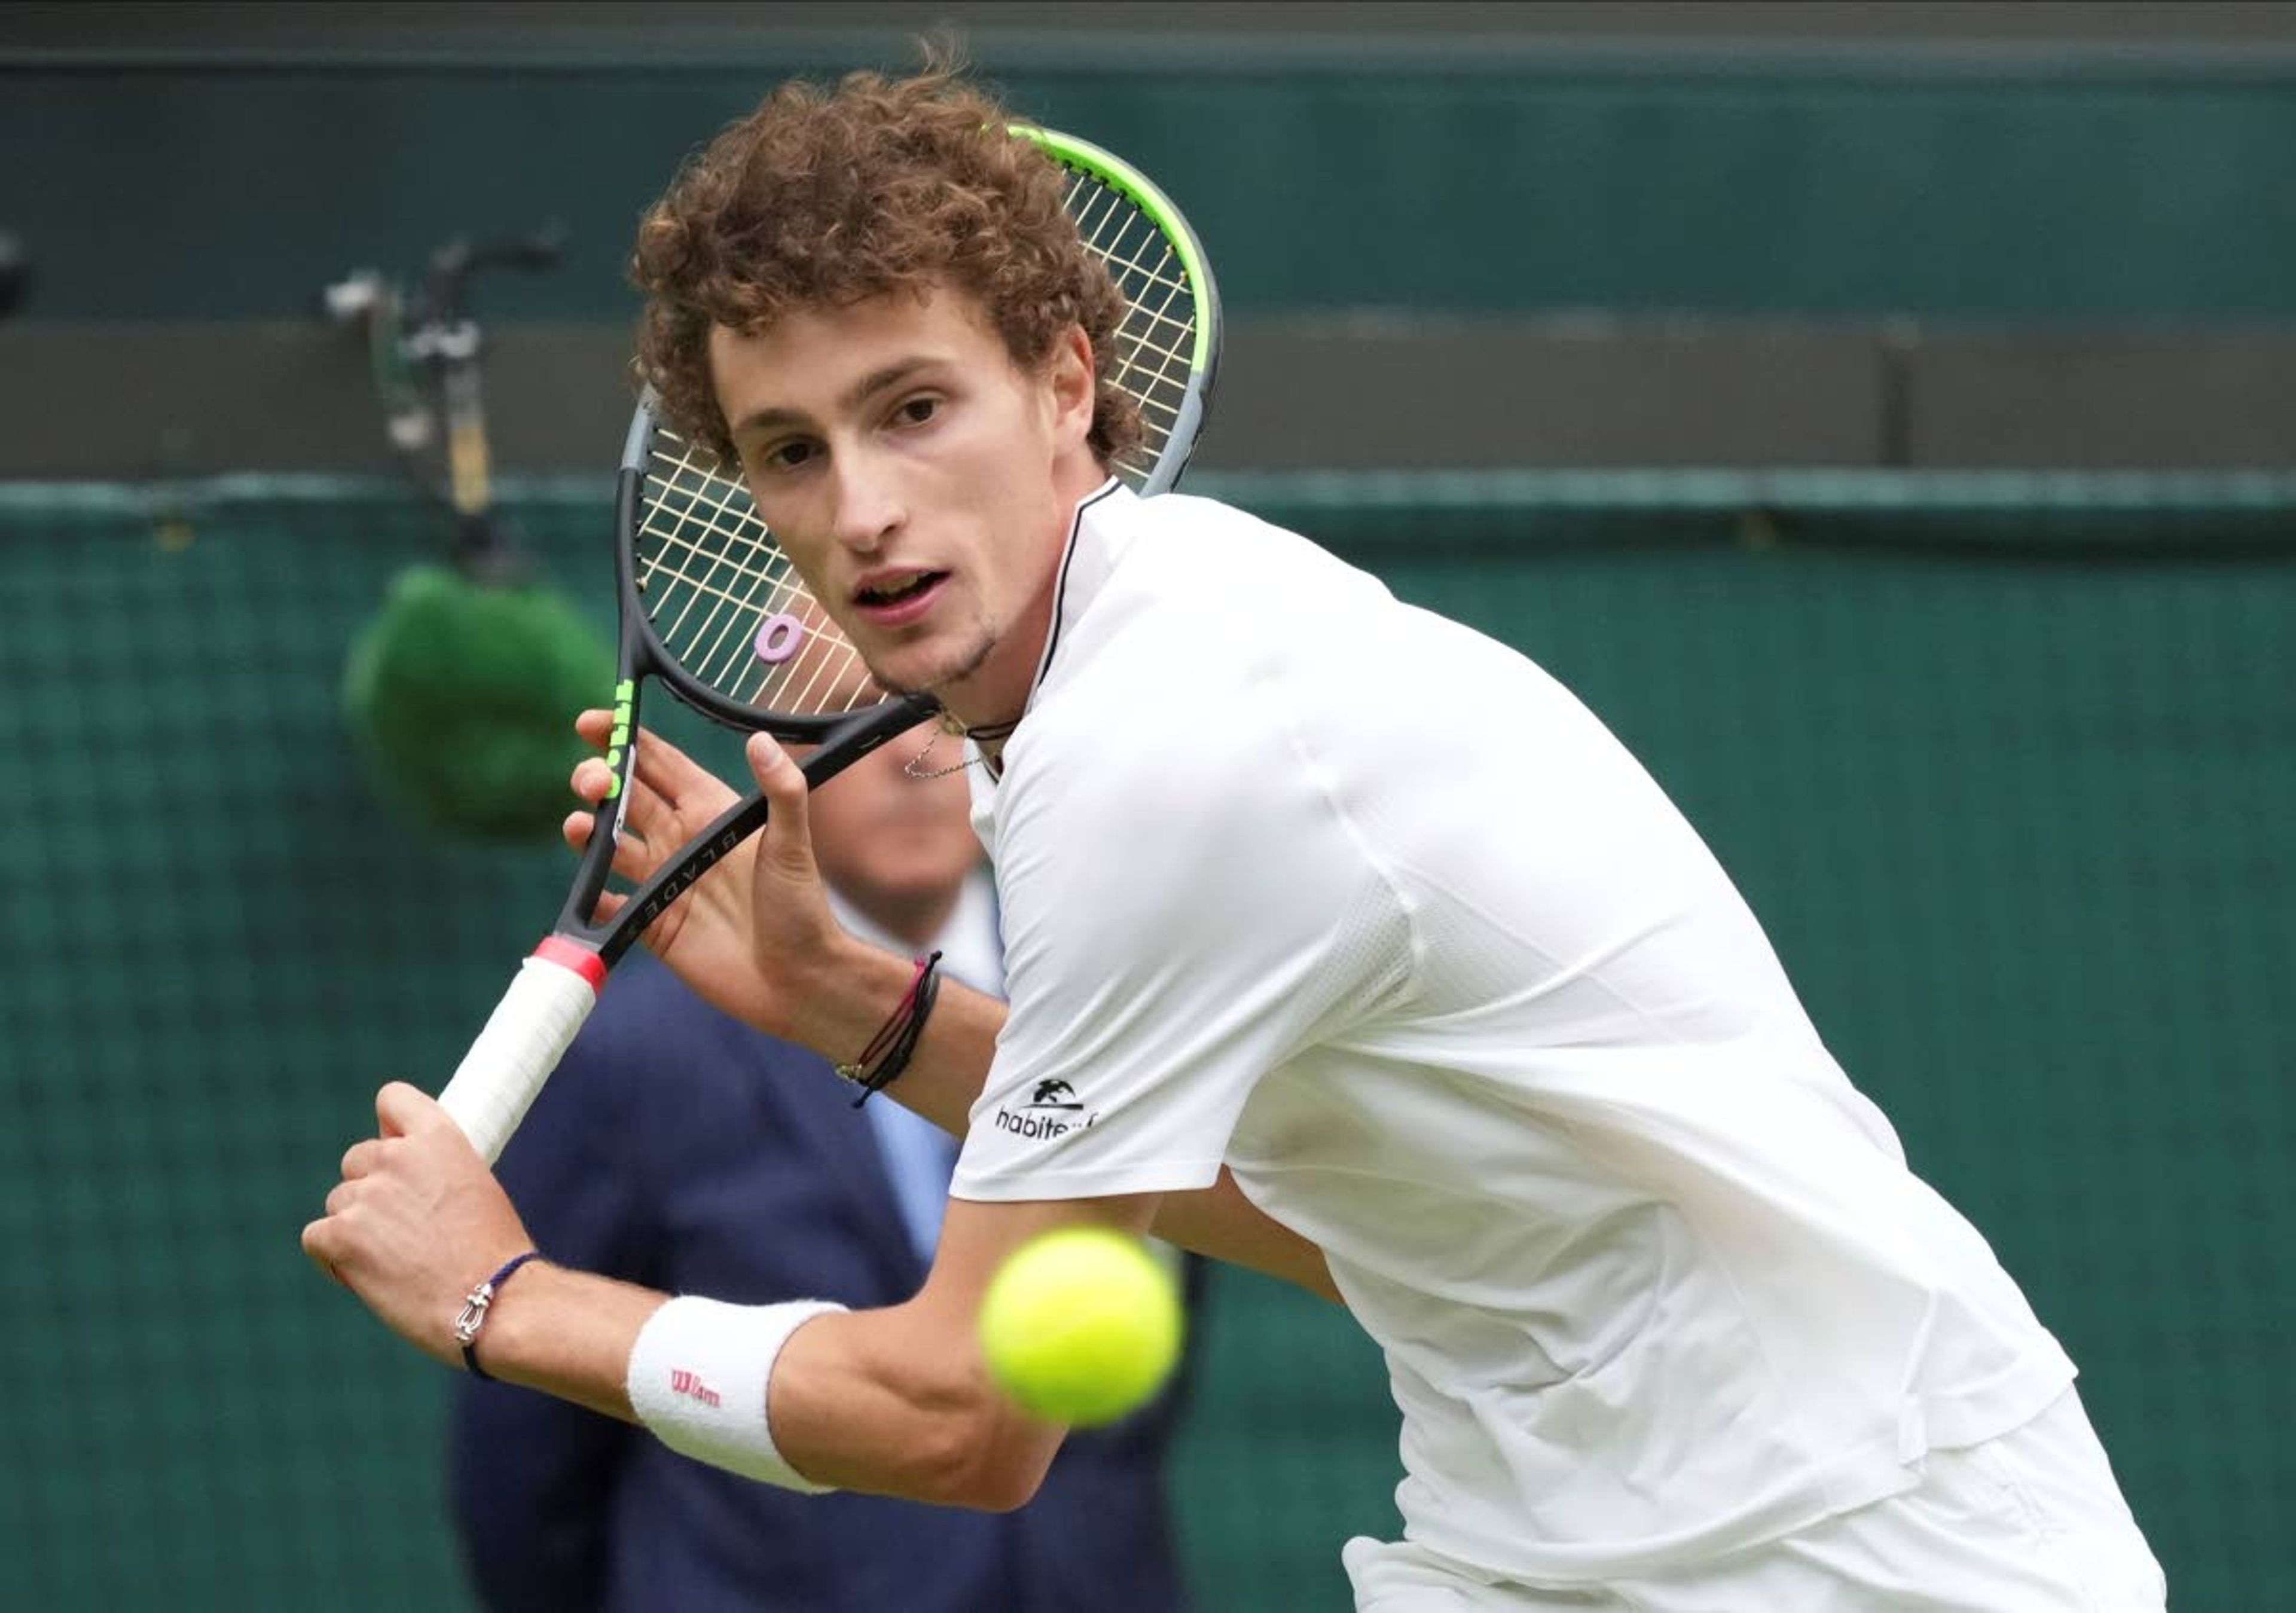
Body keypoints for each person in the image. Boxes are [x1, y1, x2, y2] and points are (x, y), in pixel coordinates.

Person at [306, 62, 2169, 1610]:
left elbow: (968, 1417)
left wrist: (506, 1296)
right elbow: (1341, 1218)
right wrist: (857, 1005)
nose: (860, 508)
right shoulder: (1102, 684)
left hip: (1866, 1555)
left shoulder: (1164, 743)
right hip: (1581, 1536)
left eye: (915, 406)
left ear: (1062, 380)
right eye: (789, 450)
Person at [443, 722, 1199, 1612]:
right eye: (848, 717)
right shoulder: (634, 1055)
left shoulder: (1124, 998)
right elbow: (526, 1462)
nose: (909, 759)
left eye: (942, 714)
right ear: (776, 757)